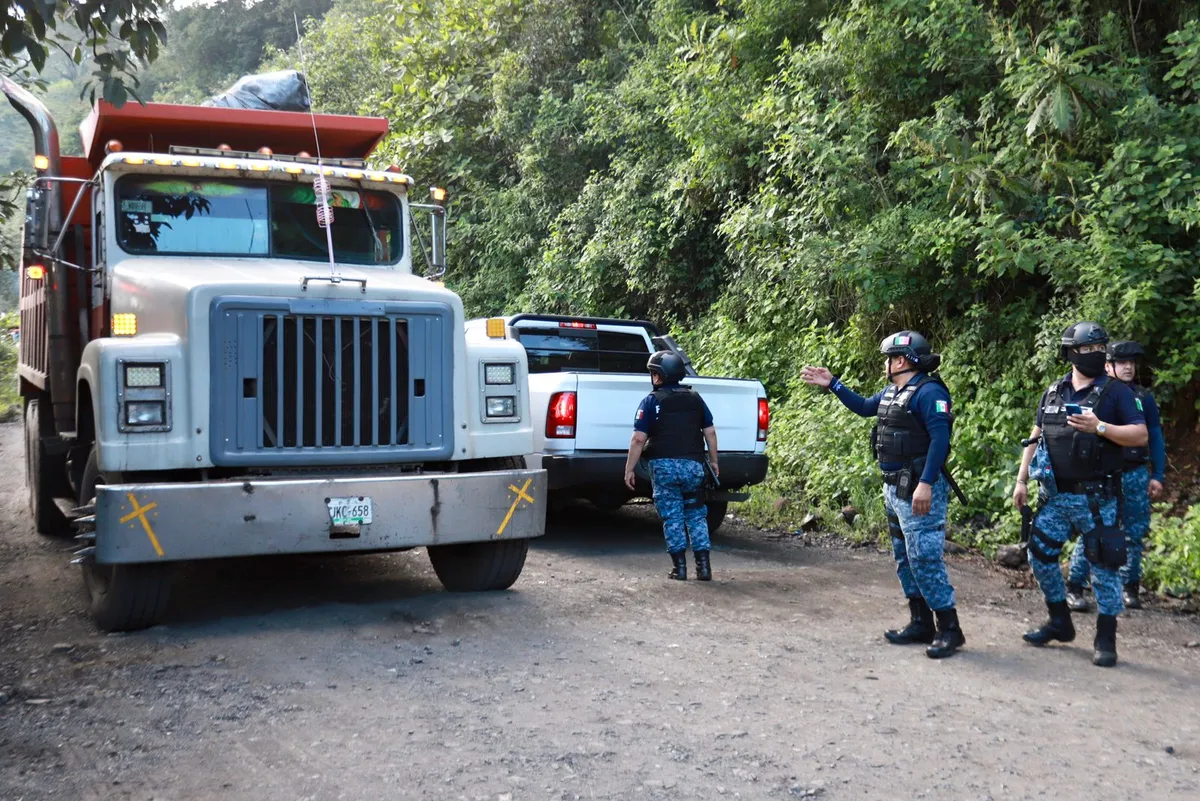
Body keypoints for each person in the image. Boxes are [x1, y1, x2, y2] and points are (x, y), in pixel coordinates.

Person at [800, 331, 964, 659]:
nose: (886, 364)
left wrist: (927, 483)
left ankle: (950, 628)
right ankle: (921, 622)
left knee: (925, 558)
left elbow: (940, 441)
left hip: (918, 488)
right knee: (905, 558)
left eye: (889, 358)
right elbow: (863, 407)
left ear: (901, 360)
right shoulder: (893, 391)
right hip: (894, 488)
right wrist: (833, 384)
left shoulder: (929, 393)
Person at [1013, 322, 1148, 667]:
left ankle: (1106, 637)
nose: (1096, 354)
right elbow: (1037, 433)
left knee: (1104, 567)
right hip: (1055, 497)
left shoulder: (1117, 393)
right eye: (1088, 349)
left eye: (1100, 348)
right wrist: (1021, 479)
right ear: (1071, 353)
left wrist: (1100, 427)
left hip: (1097, 499)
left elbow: (1140, 435)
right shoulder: (1054, 391)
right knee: (1039, 558)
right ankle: (1059, 621)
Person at [1065, 340, 1165, 611]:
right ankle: (1075, 585)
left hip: (1134, 474)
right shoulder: (1097, 395)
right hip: (1102, 475)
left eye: (1132, 362)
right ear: (1108, 365)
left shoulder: (1143, 398)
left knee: (1134, 533)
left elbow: (1154, 437)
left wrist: (1158, 474)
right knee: (1093, 529)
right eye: (1122, 362)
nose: (1128, 367)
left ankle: (1130, 587)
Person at [624, 351, 719, 581]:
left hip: (664, 468)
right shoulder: (695, 398)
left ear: (658, 377)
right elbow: (710, 432)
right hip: (693, 466)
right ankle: (704, 568)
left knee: (673, 517)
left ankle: (680, 568)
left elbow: (638, 439)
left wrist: (629, 469)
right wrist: (714, 461)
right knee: (696, 515)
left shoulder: (651, 401)